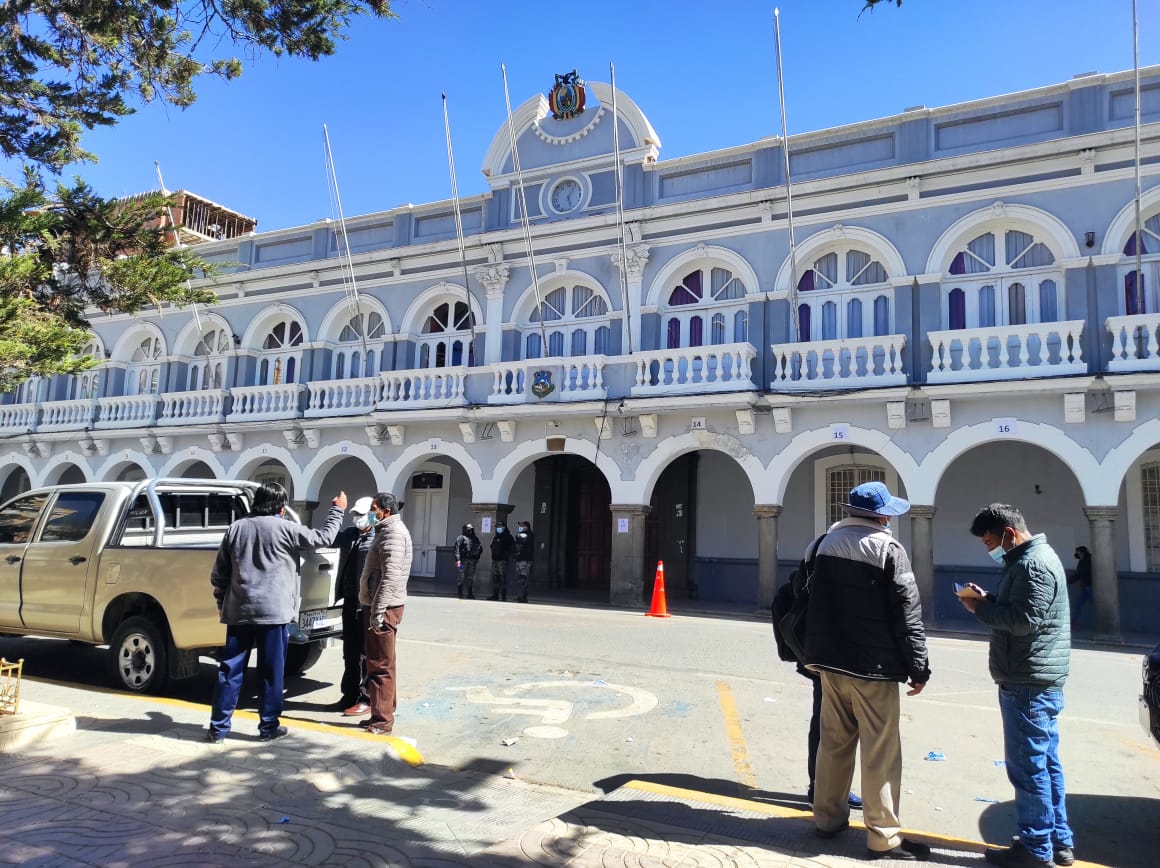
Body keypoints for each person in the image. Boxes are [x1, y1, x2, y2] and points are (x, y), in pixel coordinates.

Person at [805, 481, 931, 862]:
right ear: (882, 515)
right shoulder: (888, 549)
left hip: (829, 661)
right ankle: (883, 837)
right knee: (880, 751)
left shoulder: (822, 545)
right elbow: (907, 614)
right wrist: (918, 667)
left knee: (833, 742)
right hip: (872, 667)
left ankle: (826, 818)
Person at [960, 505, 1075, 868]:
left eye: (991, 540)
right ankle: (1058, 841)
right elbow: (1023, 610)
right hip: (1035, 678)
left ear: (1009, 534)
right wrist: (989, 600)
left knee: (1028, 768)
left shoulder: (1032, 564)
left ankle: (1036, 848)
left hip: (1028, 681)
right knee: (1045, 764)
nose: (989, 548)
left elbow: (1024, 621)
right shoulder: (1029, 560)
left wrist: (979, 610)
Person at [207, 483, 347, 743]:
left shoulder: (236, 529)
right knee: (271, 672)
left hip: (239, 612)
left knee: (230, 671)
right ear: (281, 507)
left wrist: (220, 603)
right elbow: (324, 538)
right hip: (274, 614)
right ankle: (268, 727)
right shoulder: (287, 529)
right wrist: (337, 510)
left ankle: (218, 728)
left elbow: (219, 574)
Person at [358, 492, 413, 735]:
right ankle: (381, 712)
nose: (371, 513)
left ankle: (382, 722)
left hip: (384, 606)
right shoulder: (384, 530)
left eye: (374, 508)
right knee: (381, 662)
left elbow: (390, 577)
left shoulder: (393, 533)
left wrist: (378, 610)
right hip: (378, 604)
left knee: (380, 665)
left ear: (386, 511)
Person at [333, 496, 376, 717]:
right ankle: (348, 695)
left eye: (361, 514)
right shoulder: (350, 535)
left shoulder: (378, 537)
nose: (357, 518)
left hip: (368, 603)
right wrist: (336, 512)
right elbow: (328, 538)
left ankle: (366, 698)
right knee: (349, 652)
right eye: (355, 515)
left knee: (366, 653)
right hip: (350, 599)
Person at [453, 522, 482, 599]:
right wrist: (458, 560)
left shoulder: (475, 538)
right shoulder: (460, 538)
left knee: (470, 577)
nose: (470, 531)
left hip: (472, 560)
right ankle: (460, 593)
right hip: (462, 561)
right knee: (461, 576)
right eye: (468, 530)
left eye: (471, 530)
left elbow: (479, 548)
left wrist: (477, 557)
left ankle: (470, 593)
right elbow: (457, 549)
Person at [488, 520, 514, 601]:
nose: (498, 529)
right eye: (497, 527)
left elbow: (512, 547)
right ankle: (495, 595)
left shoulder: (508, 536)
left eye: (500, 527)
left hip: (503, 560)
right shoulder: (496, 536)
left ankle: (503, 596)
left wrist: (506, 554)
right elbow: (492, 546)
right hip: (495, 559)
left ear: (504, 527)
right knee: (495, 578)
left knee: (502, 578)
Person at [1069, 545, 1092, 629]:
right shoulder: (1083, 560)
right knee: (1078, 604)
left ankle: (1103, 623)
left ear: (1082, 553)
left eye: (1078, 552)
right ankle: (1074, 621)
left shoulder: (1087, 561)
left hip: (1089, 586)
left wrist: (1069, 581)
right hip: (1086, 586)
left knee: (1095, 605)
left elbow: (1081, 573)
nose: (1076, 554)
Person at [513, 520, 535, 603]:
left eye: (522, 526)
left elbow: (523, 540)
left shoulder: (529, 535)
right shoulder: (521, 536)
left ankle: (522, 597)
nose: (520, 528)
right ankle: (520, 596)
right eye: (520, 526)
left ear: (527, 527)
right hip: (519, 559)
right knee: (519, 579)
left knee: (523, 578)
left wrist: (519, 536)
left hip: (526, 560)